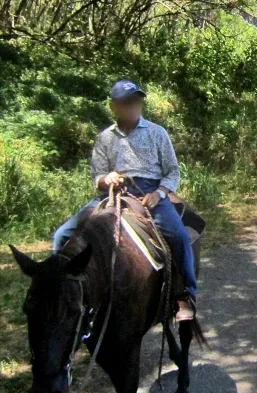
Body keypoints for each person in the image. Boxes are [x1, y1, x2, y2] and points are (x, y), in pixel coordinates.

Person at [52, 80, 197, 321]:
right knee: (61, 236)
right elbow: (97, 176)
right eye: (126, 102)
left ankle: (185, 295)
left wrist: (159, 193)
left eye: (136, 101)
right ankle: (62, 292)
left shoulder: (157, 133)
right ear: (113, 106)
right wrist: (106, 178)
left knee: (180, 237)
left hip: (150, 191)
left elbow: (173, 171)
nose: (133, 106)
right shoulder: (104, 138)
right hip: (113, 193)